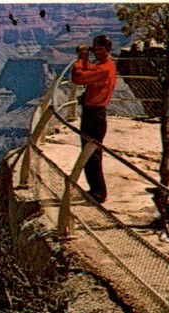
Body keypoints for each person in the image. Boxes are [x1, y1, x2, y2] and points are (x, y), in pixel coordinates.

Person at [71, 34, 116, 204]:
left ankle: (99, 193)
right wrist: (85, 60)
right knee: (90, 154)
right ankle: (95, 190)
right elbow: (90, 69)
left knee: (92, 155)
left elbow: (78, 78)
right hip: (94, 114)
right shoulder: (105, 66)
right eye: (94, 48)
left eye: (97, 49)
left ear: (106, 49)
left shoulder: (104, 69)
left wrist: (81, 59)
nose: (94, 51)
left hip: (94, 116)